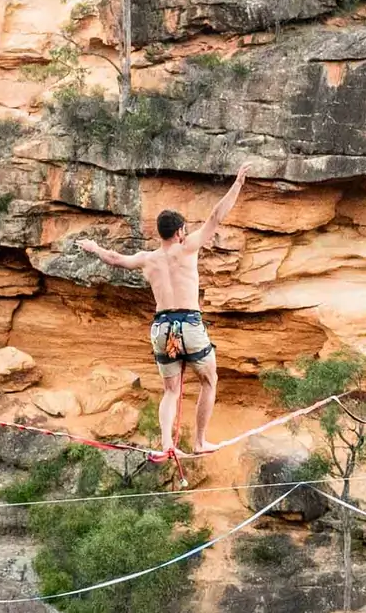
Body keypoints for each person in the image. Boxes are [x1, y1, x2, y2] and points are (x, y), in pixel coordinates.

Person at [73, 164, 251, 459]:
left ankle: (168, 444)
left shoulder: (147, 259)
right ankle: (200, 442)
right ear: (180, 232)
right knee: (209, 381)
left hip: (162, 329)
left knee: (171, 391)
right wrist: (238, 183)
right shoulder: (188, 247)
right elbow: (216, 216)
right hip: (189, 326)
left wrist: (93, 247)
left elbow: (115, 259)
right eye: (185, 230)